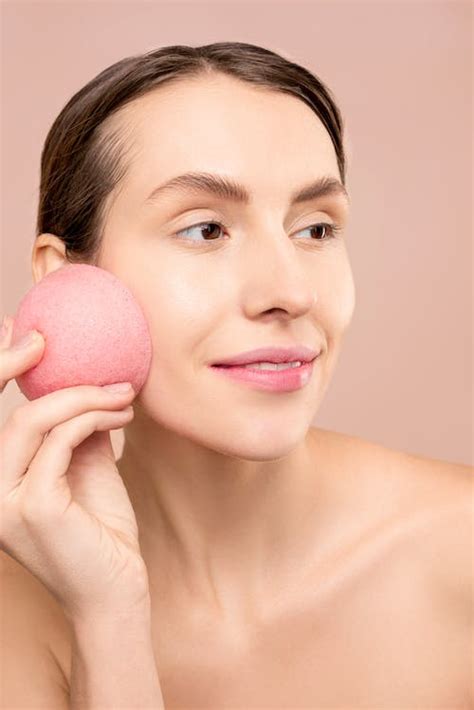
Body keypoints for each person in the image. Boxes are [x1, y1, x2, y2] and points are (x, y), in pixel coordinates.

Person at [0, 42, 472, 709]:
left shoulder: (462, 551)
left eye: (314, 229)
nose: (289, 292)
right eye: (206, 230)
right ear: (66, 280)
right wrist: (111, 619)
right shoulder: (14, 618)